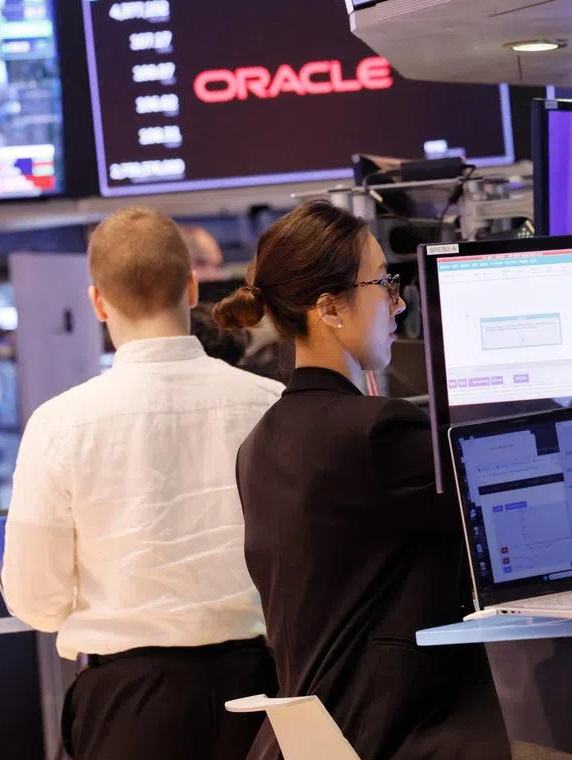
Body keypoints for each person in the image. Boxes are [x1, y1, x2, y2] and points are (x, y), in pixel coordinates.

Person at [213, 201, 510, 760]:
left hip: (312, 740)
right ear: (329, 308)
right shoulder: (377, 433)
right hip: (399, 739)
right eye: (383, 283)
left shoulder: (257, 446)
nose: (398, 303)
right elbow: (502, 517)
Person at [3, 208, 285, 760]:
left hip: (128, 705)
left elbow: (36, 601)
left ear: (97, 302)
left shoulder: (59, 425)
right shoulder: (268, 404)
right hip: (262, 690)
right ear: (192, 287)